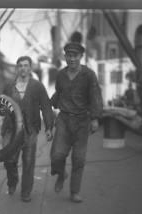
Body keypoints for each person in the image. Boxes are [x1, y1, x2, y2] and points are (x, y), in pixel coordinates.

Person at [50, 42, 103, 203]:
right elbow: (58, 94)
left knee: (79, 159)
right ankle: (61, 174)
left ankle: (74, 191)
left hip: (82, 121)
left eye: (75, 55)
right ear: (65, 56)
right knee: (57, 155)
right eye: (69, 55)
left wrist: (95, 118)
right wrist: (47, 103)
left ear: (81, 57)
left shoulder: (89, 75)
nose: (72, 58)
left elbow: (95, 96)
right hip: (64, 120)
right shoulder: (60, 75)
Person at [0, 56, 54, 202]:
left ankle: (26, 191)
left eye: (25, 65)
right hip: (11, 130)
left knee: (28, 162)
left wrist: (49, 126)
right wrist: (2, 111)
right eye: (20, 66)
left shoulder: (37, 86)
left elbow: (46, 107)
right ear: (17, 69)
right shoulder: (8, 86)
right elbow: (1, 106)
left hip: (30, 129)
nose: (23, 68)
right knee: (9, 160)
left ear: (30, 68)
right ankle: (12, 180)